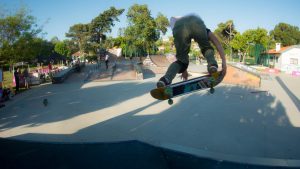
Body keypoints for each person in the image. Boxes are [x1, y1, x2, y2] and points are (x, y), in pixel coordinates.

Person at [157, 14, 227, 88]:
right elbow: (217, 43)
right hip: (196, 21)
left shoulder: (178, 25)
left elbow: (182, 57)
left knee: (181, 61)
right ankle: (212, 65)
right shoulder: (204, 29)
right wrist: (224, 62)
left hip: (179, 28)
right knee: (206, 48)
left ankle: (165, 79)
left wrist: (184, 70)